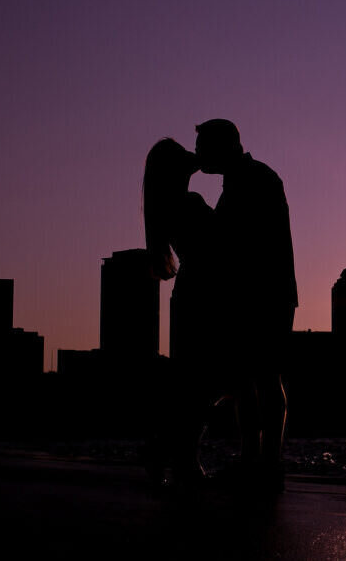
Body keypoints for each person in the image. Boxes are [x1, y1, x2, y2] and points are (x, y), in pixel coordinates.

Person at [195, 119, 297, 491]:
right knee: (249, 378)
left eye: (202, 148)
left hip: (265, 294)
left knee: (264, 377)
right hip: (261, 293)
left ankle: (266, 461)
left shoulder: (254, 179)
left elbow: (239, 242)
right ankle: (256, 459)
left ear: (222, 147)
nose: (198, 155)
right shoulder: (246, 179)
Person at [143, 137, 219, 488]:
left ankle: (176, 455)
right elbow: (221, 239)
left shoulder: (167, 207)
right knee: (203, 383)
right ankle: (178, 456)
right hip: (202, 295)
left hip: (190, 294)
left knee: (192, 382)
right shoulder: (188, 203)